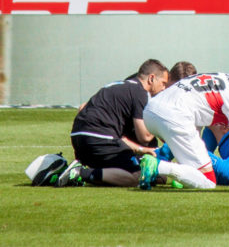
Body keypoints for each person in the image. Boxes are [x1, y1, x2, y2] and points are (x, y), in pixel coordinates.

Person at [56, 59, 169, 187]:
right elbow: (145, 137)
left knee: (157, 176)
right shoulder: (140, 92)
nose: (164, 88)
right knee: (139, 175)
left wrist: (141, 150)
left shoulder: (119, 84)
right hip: (99, 139)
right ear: (151, 78)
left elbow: (83, 107)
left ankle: (61, 171)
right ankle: (80, 173)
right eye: (163, 83)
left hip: (78, 138)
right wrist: (165, 131)